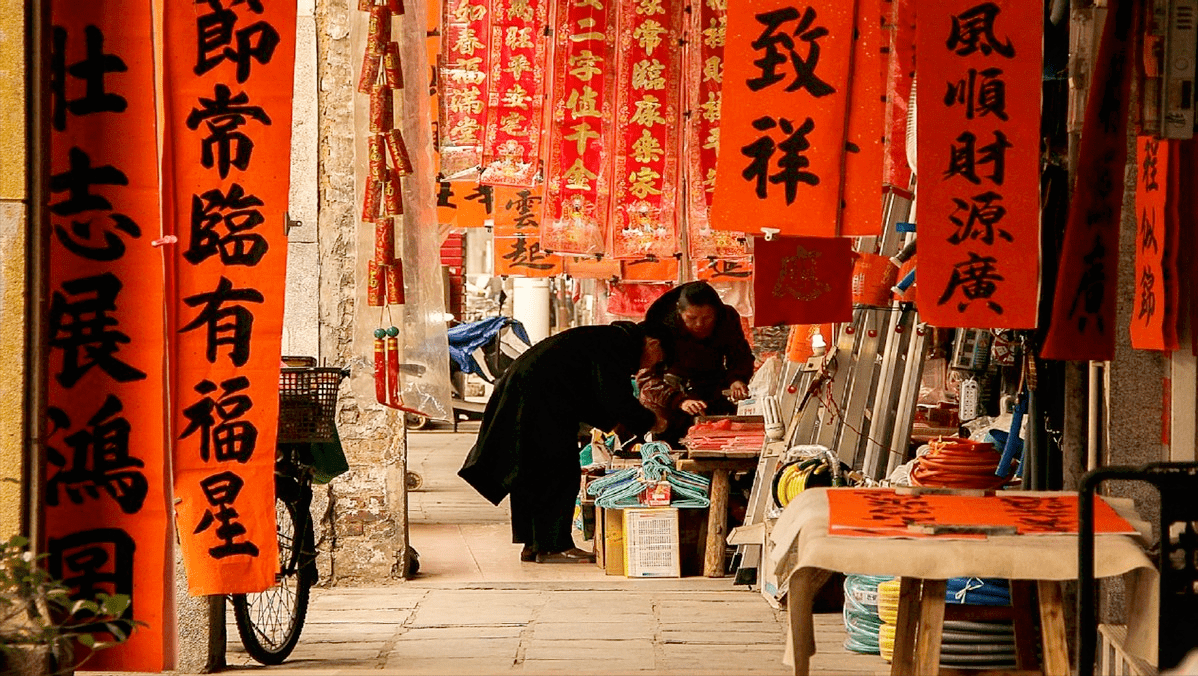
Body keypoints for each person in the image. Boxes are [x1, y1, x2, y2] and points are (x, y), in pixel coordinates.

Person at [458, 321, 668, 563]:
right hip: (539, 399)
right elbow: (612, 395)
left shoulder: (608, 337)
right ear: (654, 344)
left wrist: (617, 424)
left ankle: (534, 544)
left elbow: (590, 393)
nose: (652, 367)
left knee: (531, 470)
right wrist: (651, 421)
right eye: (659, 361)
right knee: (559, 470)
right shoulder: (617, 342)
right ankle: (553, 546)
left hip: (532, 393)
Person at [639, 281, 755, 444]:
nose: (699, 324)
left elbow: (740, 355)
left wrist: (737, 379)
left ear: (716, 313)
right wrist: (679, 400)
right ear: (680, 312)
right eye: (691, 318)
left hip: (712, 393)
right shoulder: (660, 326)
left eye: (707, 318)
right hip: (668, 397)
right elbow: (646, 380)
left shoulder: (727, 318)